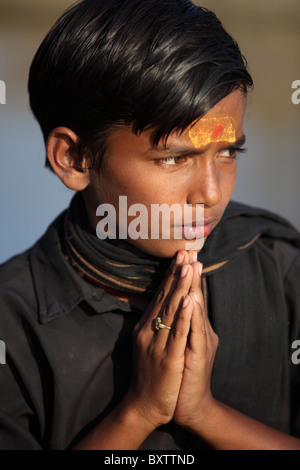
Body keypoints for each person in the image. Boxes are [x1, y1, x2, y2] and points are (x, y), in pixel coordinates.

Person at [0, 0, 300, 451]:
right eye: (174, 158)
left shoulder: (278, 271)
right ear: (73, 158)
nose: (212, 193)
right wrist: (139, 412)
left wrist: (206, 414)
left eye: (227, 152)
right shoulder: (15, 324)